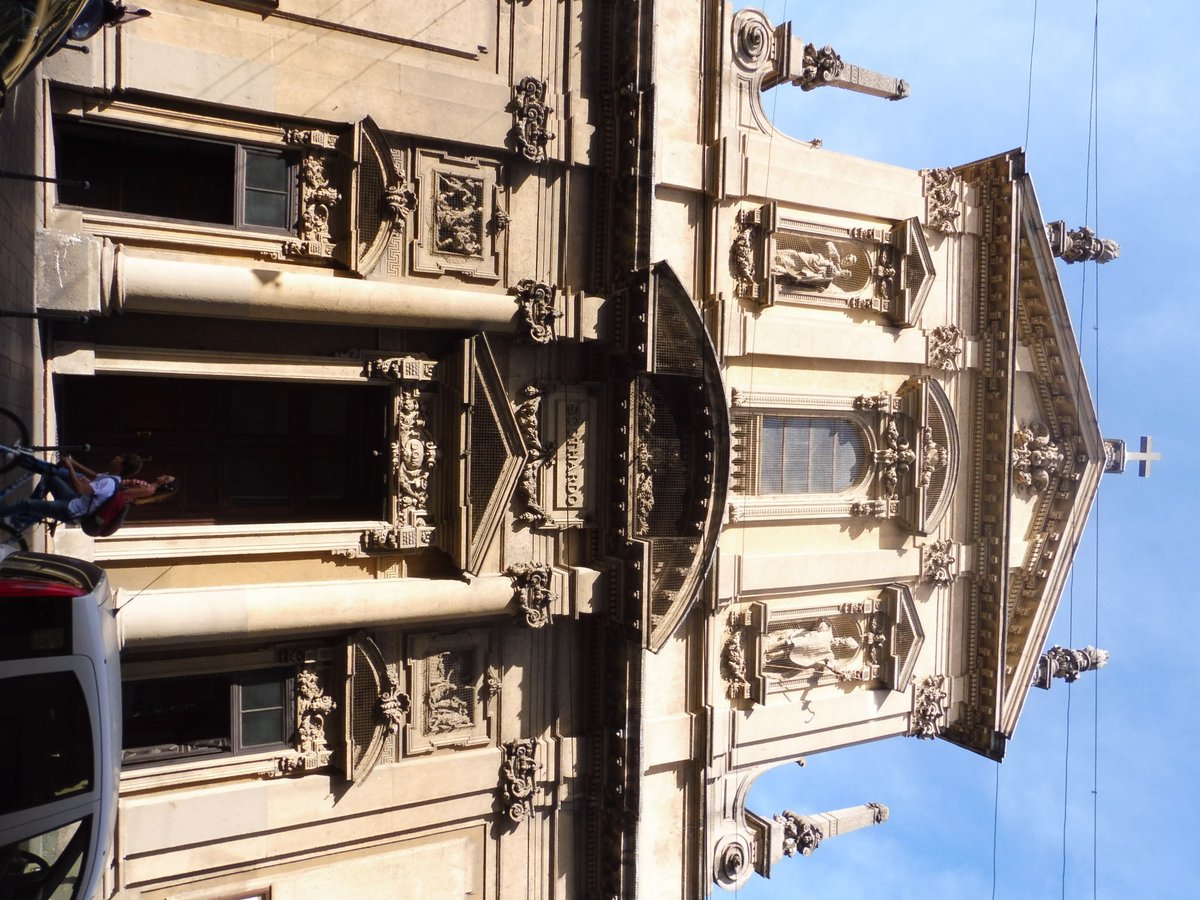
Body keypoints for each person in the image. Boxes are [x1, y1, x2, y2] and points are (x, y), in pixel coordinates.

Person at [0, 450, 144, 525]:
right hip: (74, 501)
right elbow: (94, 476)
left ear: (121, 466)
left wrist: (70, 468)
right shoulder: (112, 478)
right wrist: (74, 462)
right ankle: (25, 516)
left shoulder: (110, 483)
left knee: (24, 503)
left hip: (71, 511)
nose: (116, 457)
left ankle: (21, 513)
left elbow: (80, 489)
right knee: (50, 475)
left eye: (120, 458)